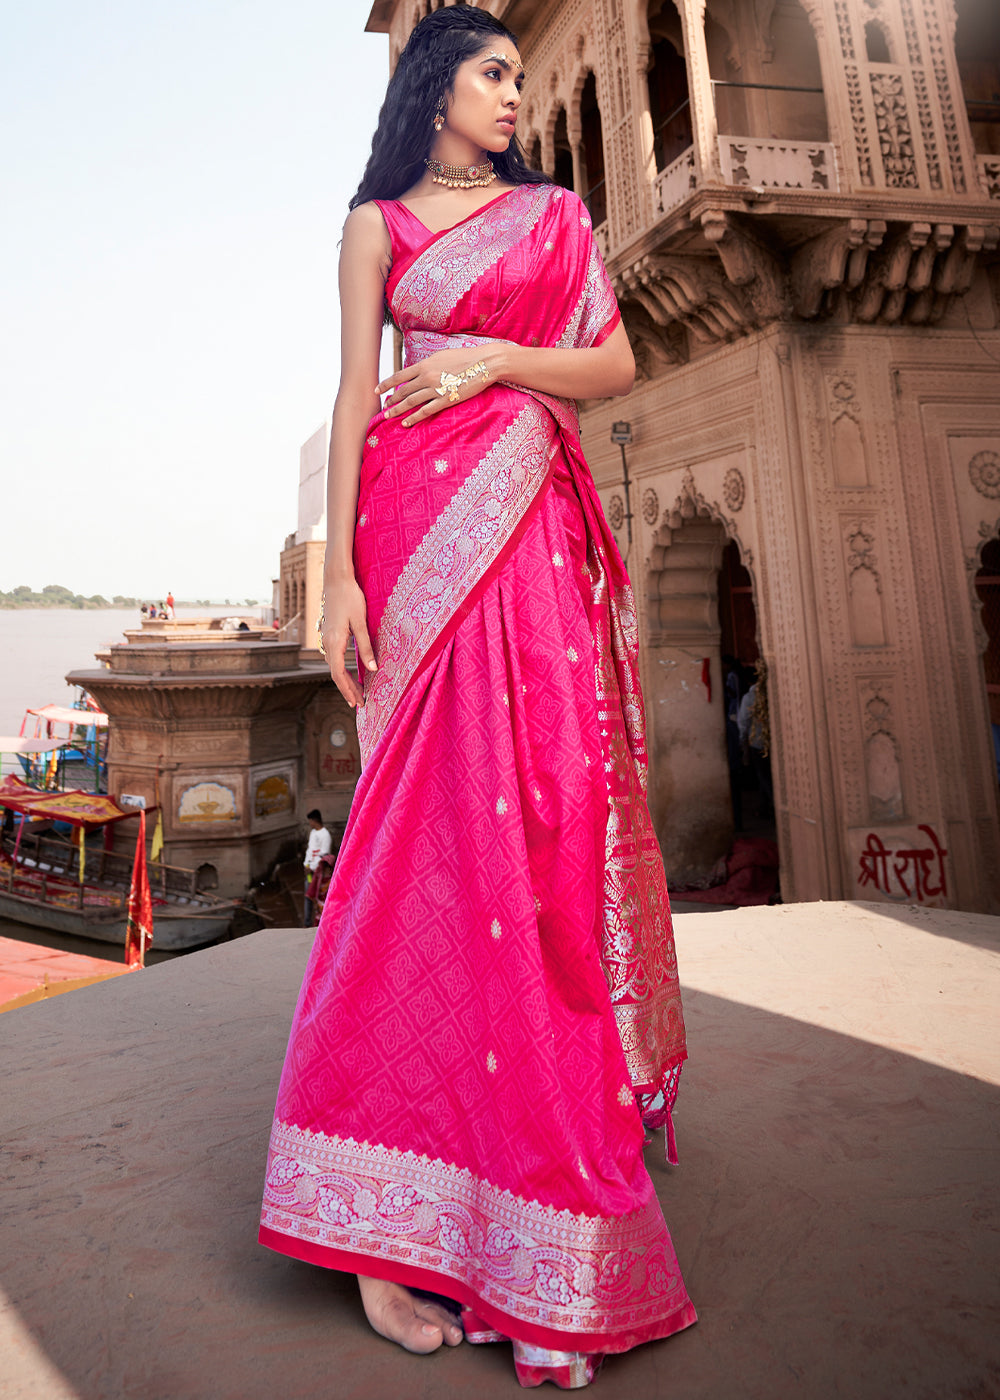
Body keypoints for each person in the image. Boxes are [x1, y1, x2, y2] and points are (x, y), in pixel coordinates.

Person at [259, 9, 694, 1389]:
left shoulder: (557, 220)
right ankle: (384, 1238)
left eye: (519, 72)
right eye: (493, 72)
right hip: (412, 537)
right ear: (435, 83)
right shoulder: (375, 225)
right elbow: (350, 391)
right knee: (417, 848)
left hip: (531, 536)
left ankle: (531, 1195)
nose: (513, 94)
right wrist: (334, 579)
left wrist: (501, 362)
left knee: (547, 839)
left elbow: (616, 368)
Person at [301, 809, 332, 927]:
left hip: (318, 872)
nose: (310, 824)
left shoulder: (325, 835)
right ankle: (307, 923)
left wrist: (313, 867)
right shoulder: (313, 833)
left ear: (315, 820)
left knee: (319, 898)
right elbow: (310, 850)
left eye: (310, 821)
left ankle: (321, 923)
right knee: (308, 896)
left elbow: (324, 854)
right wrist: (306, 865)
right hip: (309, 872)